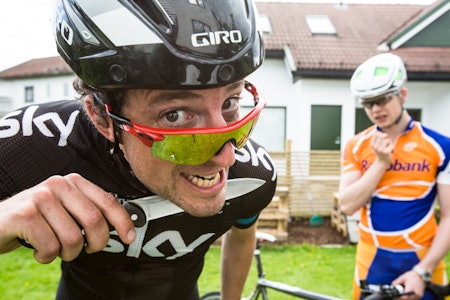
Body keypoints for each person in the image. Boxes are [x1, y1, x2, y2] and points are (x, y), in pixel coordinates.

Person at [0, 1, 277, 299]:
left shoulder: (253, 177)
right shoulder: (25, 147)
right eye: (175, 115)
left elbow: (243, 237)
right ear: (101, 116)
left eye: (230, 103)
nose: (227, 156)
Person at [338, 53, 450, 300]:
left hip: (422, 260)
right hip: (372, 261)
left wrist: (422, 272)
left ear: (403, 95)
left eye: (382, 99)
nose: (376, 109)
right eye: (368, 103)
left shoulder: (440, 146)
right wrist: (380, 164)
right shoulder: (356, 145)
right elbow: (347, 204)